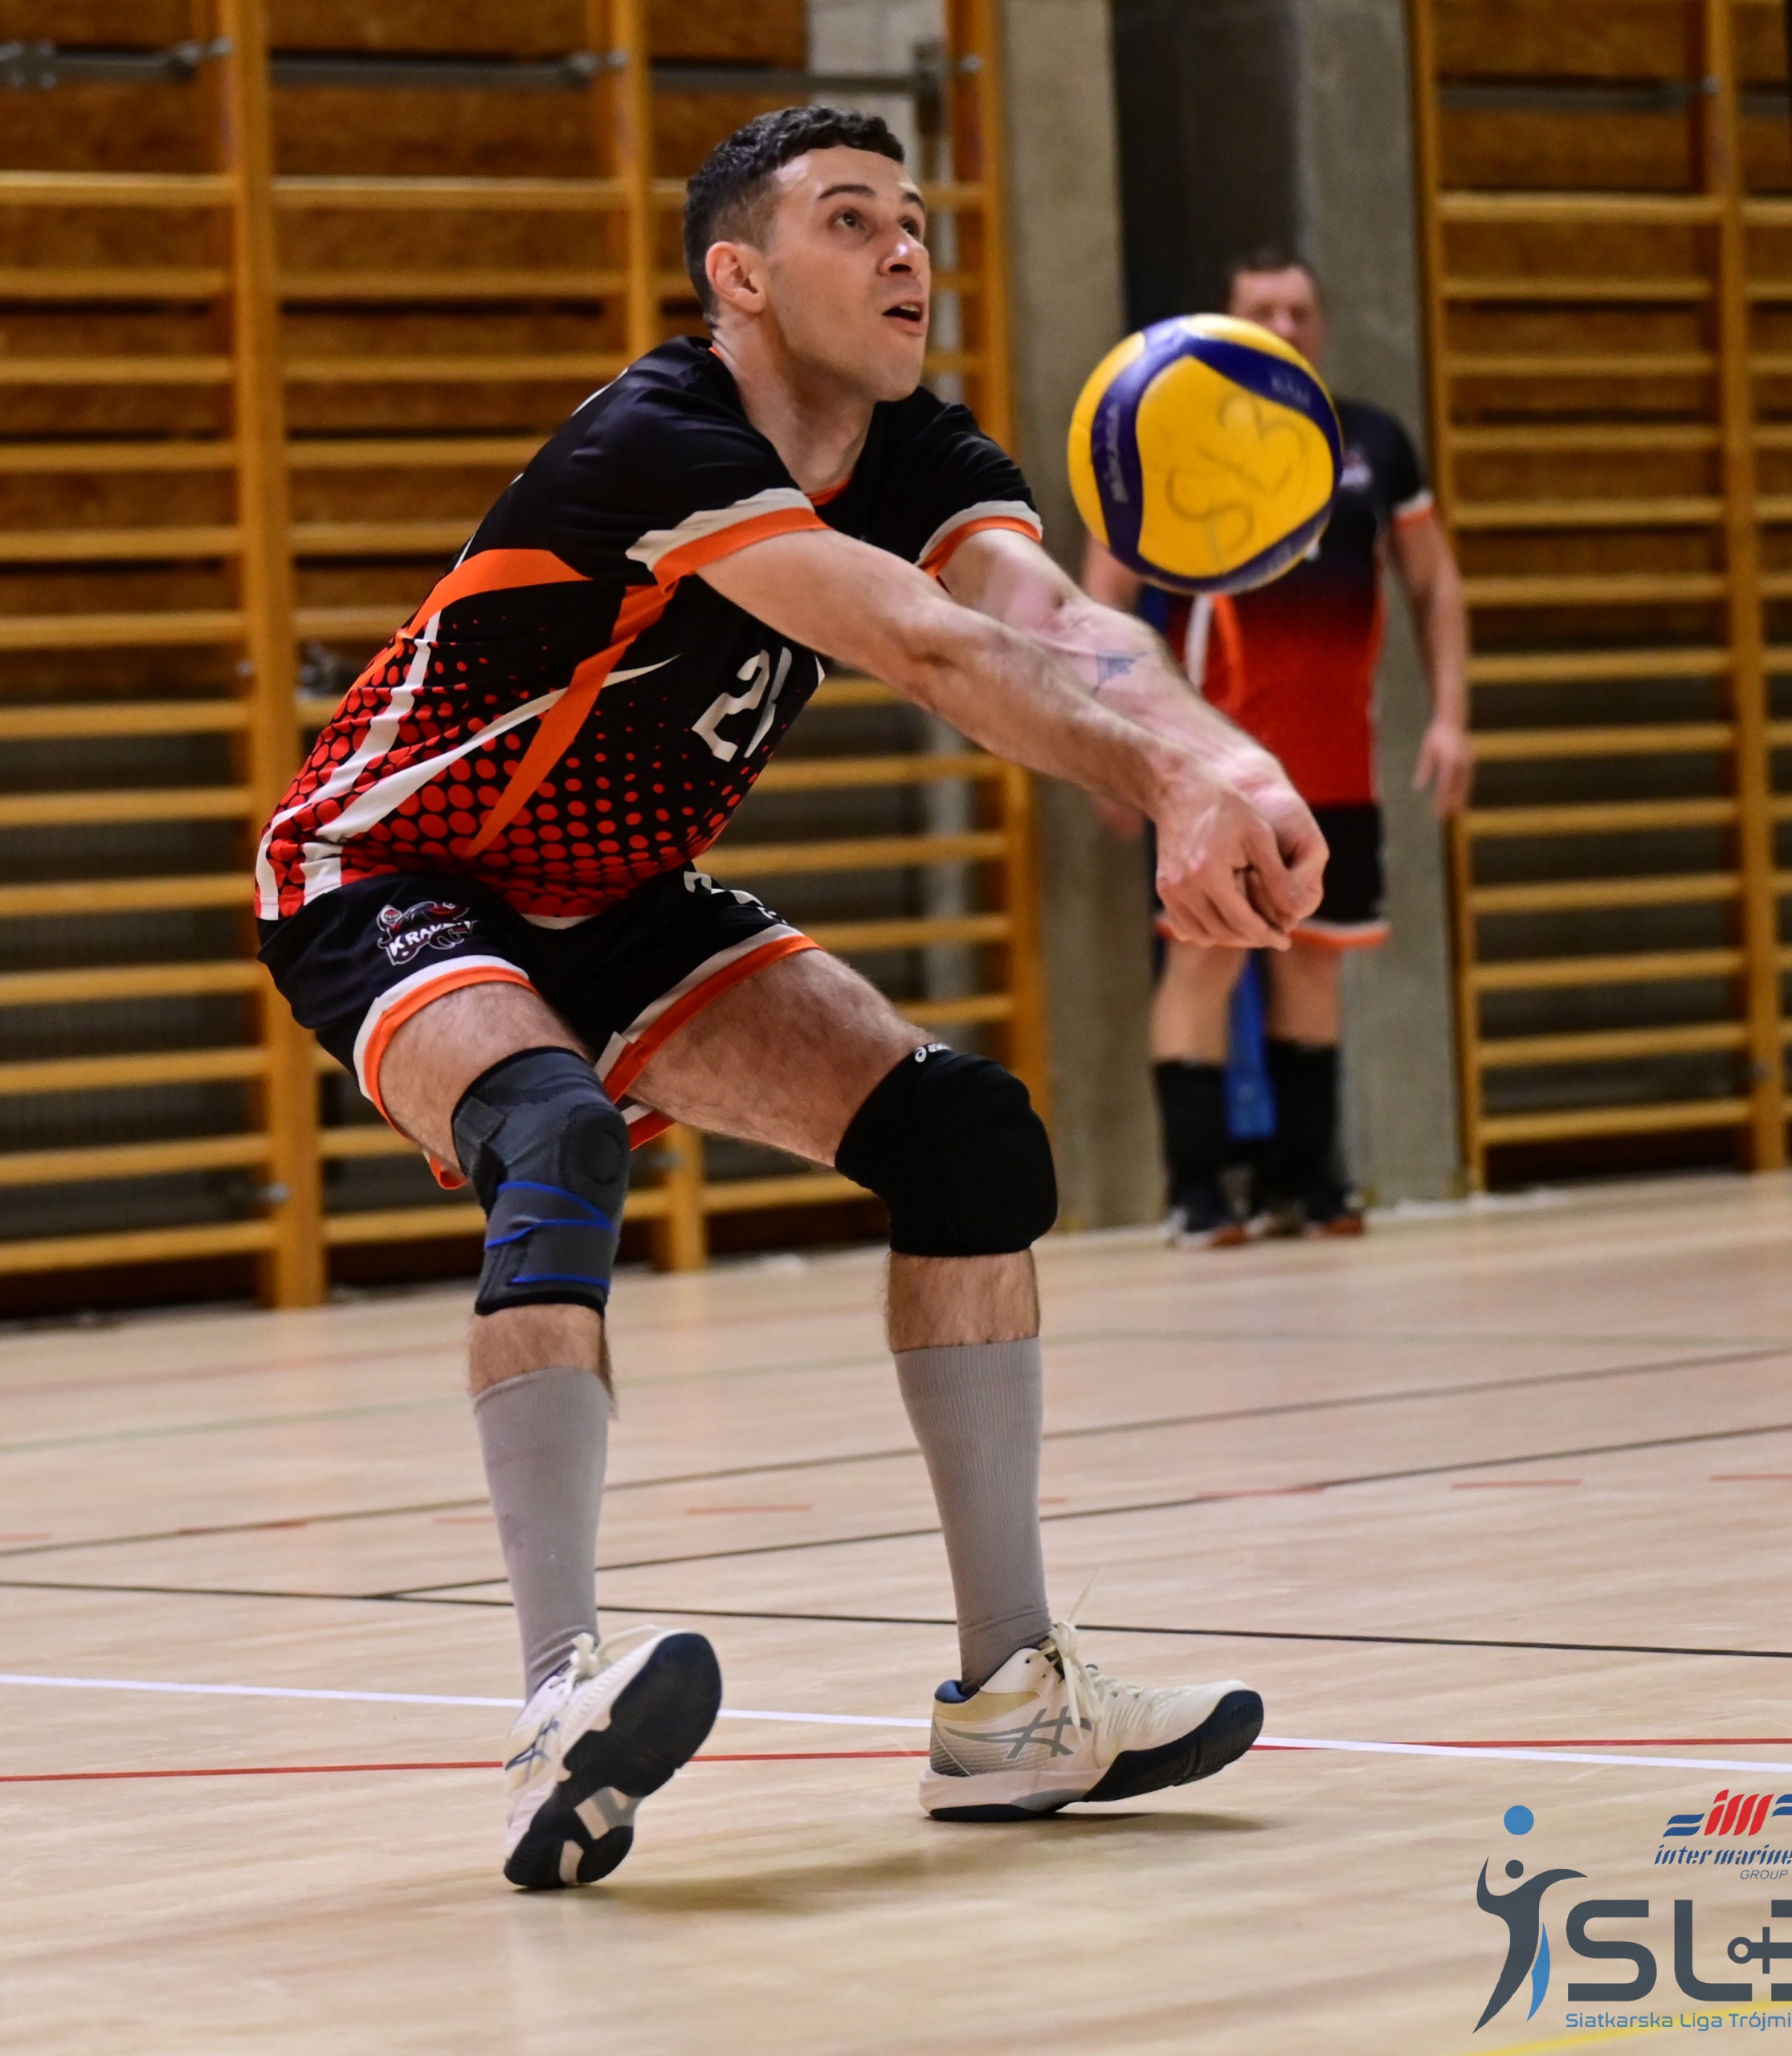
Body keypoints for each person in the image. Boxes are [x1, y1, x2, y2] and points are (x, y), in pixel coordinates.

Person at [255, 109, 1327, 1892]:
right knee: (556, 1136)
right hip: (389, 867)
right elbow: (931, 647)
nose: (906, 251)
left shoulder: (918, 450)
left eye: (915, 220)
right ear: (737, 276)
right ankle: (557, 1704)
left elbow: (1056, 622)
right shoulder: (661, 438)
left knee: (966, 1141)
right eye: (851, 220)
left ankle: (1013, 1702)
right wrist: (1166, 786)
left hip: (619, 899)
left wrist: (1227, 762)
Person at [1084, 251, 1472, 1246]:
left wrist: (1450, 715)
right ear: (1228, 324)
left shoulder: (1372, 441)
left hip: (1337, 757)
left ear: (1321, 324)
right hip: (1211, 758)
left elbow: (1433, 581)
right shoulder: (1173, 429)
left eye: (1300, 310)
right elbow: (1102, 596)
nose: (1286, 326)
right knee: (1205, 960)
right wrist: (1103, 746)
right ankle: (1197, 1192)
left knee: (1314, 963)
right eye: (1264, 310)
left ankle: (1305, 1182)